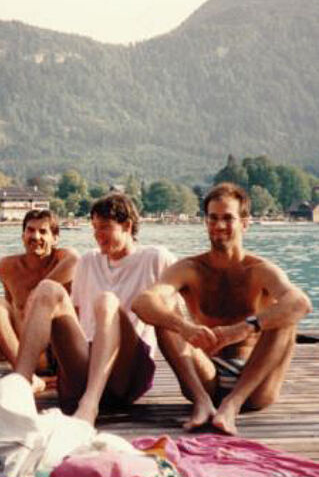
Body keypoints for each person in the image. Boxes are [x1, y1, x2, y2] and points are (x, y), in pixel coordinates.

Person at [133, 183, 311, 435]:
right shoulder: (190, 268)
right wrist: (183, 326)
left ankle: (232, 405)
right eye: (213, 218)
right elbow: (143, 302)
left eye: (228, 218)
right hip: (207, 374)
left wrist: (241, 329)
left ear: (245, 222)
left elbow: (301, 303)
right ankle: (202, 403)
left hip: (255, 380)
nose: (219, 226)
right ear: (205, 222)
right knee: (164, 314)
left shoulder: (260, 269)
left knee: (285, 315)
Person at [14, 193, 176, 425]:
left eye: (105, 228)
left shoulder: (156, 258)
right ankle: (19, 387)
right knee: (48, 288)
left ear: (127, 226)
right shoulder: (88, 261)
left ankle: (90, 404)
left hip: (127, 372)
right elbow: (78, 318)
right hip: (88, 364)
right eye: (95, 228)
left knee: (107, 301)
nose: (98, 235)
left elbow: (178, 310)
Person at [0, 210, 79, 372]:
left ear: (55, 238)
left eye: (43, 231)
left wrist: (37, 292)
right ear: (23, 236)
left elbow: (75, 258)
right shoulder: (7, 267)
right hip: (23, 354)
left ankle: (26, 372)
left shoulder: (64, 259)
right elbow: (10, 308)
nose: (35, 236)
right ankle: (24, 371)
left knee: (46, 293)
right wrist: (4, 344)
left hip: (58, 355)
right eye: (30, 230)